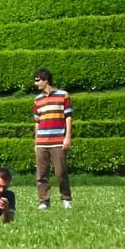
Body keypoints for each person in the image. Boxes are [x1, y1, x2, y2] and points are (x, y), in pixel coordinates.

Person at [33, 68, 73, 210]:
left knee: (61, 172)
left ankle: (66, 199)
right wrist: (36, 141)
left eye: (37, 80)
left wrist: (67, 137)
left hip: (58, 141)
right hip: (41, 142)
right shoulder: (37, 100)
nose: (35, 83)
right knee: (41, 174)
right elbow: (37, 121)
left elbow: (68, 117)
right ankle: (44, 201)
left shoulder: (63, 95)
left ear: (46, 80)